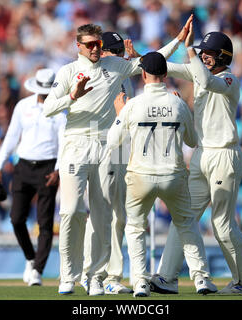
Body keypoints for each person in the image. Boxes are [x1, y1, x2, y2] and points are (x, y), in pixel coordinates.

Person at [42, 21, 192, 296]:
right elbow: (48, 109)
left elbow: (153, 62)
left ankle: (97, 277)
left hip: (107, 145)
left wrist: (179, 39)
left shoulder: (115, 67)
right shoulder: (68, 72)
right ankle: (68, 275)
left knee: (103, 214)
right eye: (89, 45)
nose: (95, 49)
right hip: (76, 143)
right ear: (79, 47)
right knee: (72, 211)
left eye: (98, 44)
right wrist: (71, 97)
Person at [150, 21, 242, 294]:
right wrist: (149, 56)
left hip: (225, 155)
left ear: (223, 56)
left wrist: (189, 51)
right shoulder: (198, 71)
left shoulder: (229, 79)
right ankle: (167, 278)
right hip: (201, 155)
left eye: (208, 53)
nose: (203, 56)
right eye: (202, 53)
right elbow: (160, 67)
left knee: (221, 225)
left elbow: (208, 81)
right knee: (183, 217)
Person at [107, 51, 217, 297]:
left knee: (135, 228)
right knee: (187, 224)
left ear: (143, 74)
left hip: (140, 176)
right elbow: (192, 141)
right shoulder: (177, 103)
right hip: (173, 175)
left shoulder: (133, 104)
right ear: (166, 75)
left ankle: (141, 283)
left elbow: (113, 141)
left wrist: (120, 114)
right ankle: (201, 279)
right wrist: (181, 110)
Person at [0, 68, 66, 286]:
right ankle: (30, 258)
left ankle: (37, 271)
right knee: (16, 218)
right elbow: (12, 136)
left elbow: (63, 142)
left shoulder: (62, 110)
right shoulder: (23, 106)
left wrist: (58, 170)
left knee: (45, 224)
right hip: (23, 165)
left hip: (48, 168)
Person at [81, 31, 134, 295]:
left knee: (113, 213)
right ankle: (103, 274)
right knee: (110, 214)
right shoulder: (105, 73)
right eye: (116, 52)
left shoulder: (121, 70)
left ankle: (92, 272)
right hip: (109, 146)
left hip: (119, 147)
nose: (120, 55)